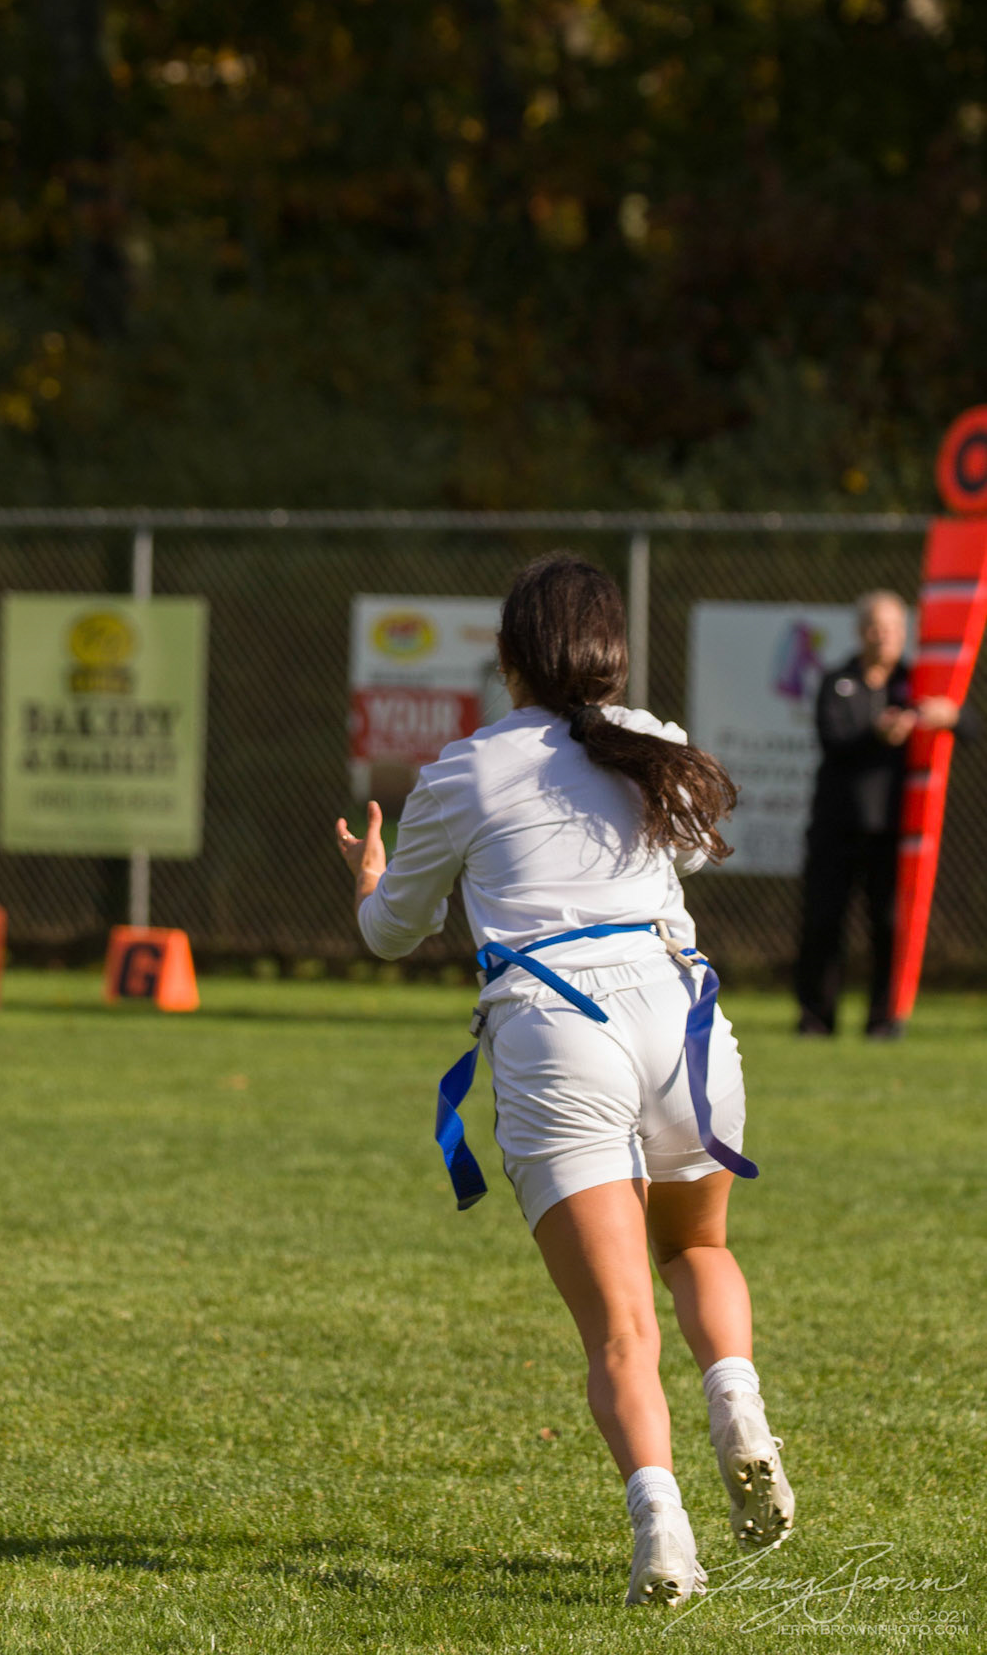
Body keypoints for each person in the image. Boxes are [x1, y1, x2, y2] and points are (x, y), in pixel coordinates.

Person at [334, 553, 791, 1609]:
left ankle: (663, 1529)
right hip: (679, 1020)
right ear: (612, 654)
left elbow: (392, 931)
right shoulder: (655, 743)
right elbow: (694, 853)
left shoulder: (462, 770)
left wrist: (368, 876)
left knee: (619, 1326)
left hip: (557, 1029)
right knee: (700, 1246)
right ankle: (739, 1408)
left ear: (507, 658)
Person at [794, 589, 962, 1038]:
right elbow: (833, 740)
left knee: (890, 927)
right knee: (823, 923)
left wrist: (951, 716)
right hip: (836, 826)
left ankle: (884, 1019)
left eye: (892, 628)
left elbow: (969, 726)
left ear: (903, 633)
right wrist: (879, 734)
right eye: (875, 627)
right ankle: (816, 1019)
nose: (883, 636)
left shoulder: (916, 683)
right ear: (861, 631)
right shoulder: (837, 680)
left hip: (893, 830)